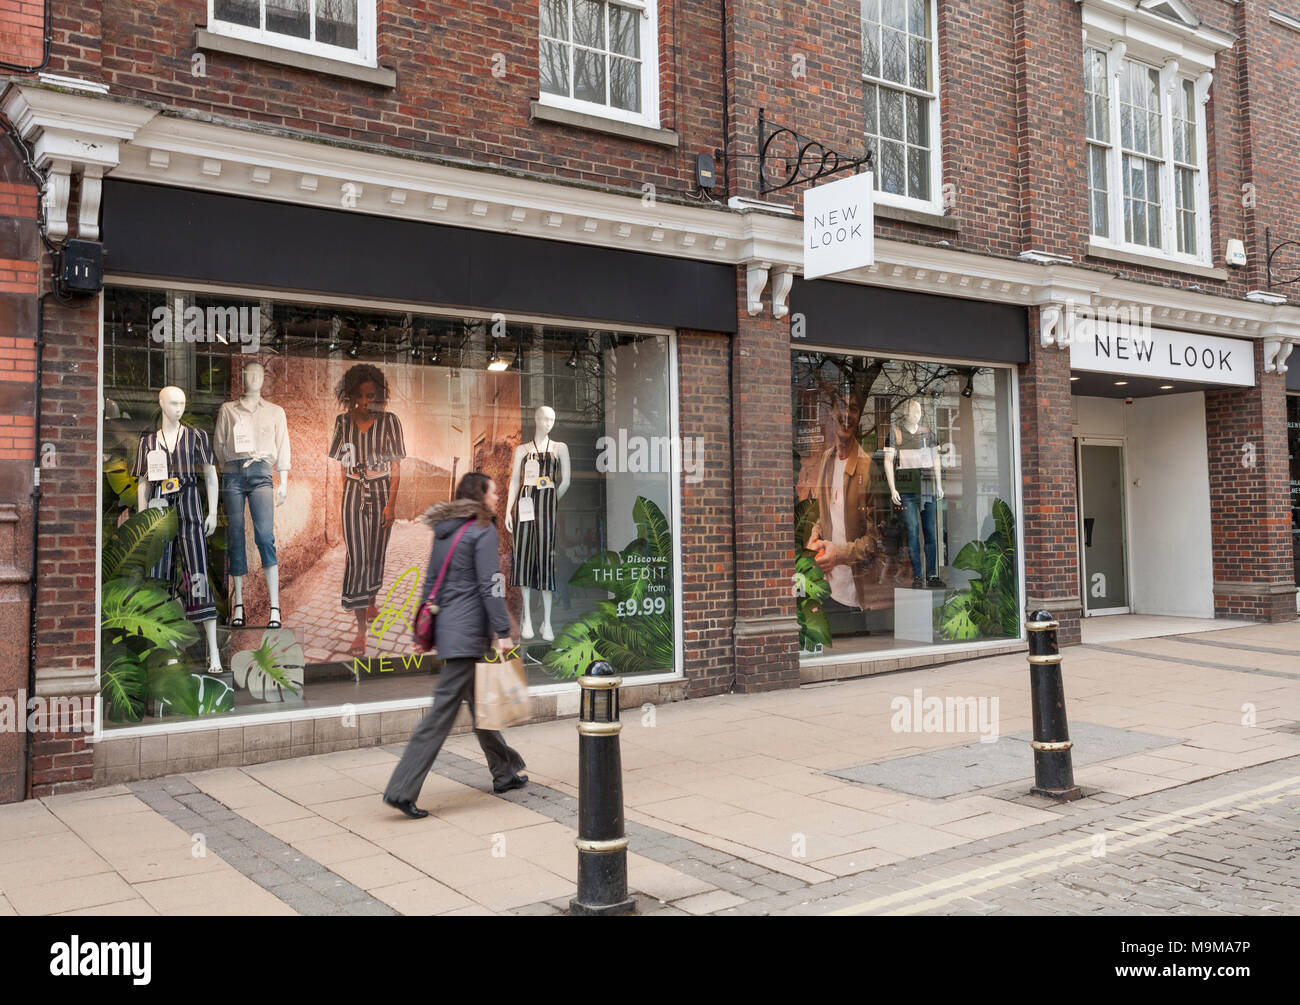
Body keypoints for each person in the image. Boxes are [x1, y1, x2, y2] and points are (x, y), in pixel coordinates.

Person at [383, 471, 528, 818]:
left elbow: (431, 581)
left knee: (481, 705)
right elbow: (490, 583)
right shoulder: (481, 529)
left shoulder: (445, 531)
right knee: (440, 716)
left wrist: (425, 629)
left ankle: (505, 771)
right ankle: (401, 789)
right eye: (493, 492)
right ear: (480, 495)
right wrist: (502, 631)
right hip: (467, 635)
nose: (496, 497)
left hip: (452, 631)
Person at [328, 364, 405, 657]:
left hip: (382, 490)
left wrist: (391, 505)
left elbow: (396, 466)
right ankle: (361, 632)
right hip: (353, 492)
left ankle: (371, 597)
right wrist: (343, 501)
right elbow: (340, 469)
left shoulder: (390, 421)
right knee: (357, 557)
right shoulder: (342, 422)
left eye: (370, 396)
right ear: (349, 396)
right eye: (358, 396)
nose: (364, 402)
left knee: (376, 555)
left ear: (380, 397)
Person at [806, 384, 882, 628]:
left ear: (859, 418)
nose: (847, 415)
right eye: (842, 407)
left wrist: (838, 553)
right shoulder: (827, 460)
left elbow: (874, 541)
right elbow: (826, 514)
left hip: (855, 598)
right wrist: (815, 535)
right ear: (832, 412)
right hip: (825, 587)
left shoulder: (868, 467)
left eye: (854, 409)